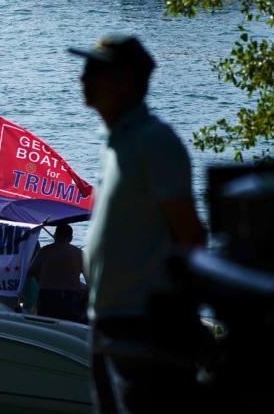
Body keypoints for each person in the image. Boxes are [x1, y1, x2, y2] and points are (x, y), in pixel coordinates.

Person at [69, 35, 205, 413]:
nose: (83, 79)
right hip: (110, 322)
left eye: (95, 71)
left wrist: (175, 320)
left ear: (125, 83)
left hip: (142, 326)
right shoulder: (116, 143)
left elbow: (191, 235)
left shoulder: (153, 141)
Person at [28, 224, 87, 322]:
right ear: (71, 238)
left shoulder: (44, 251)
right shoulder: (79, 253)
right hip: (71, 297)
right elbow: (91, 282)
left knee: (46, 326)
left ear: (55, 236)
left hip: (47, 296)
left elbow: (29, 273)